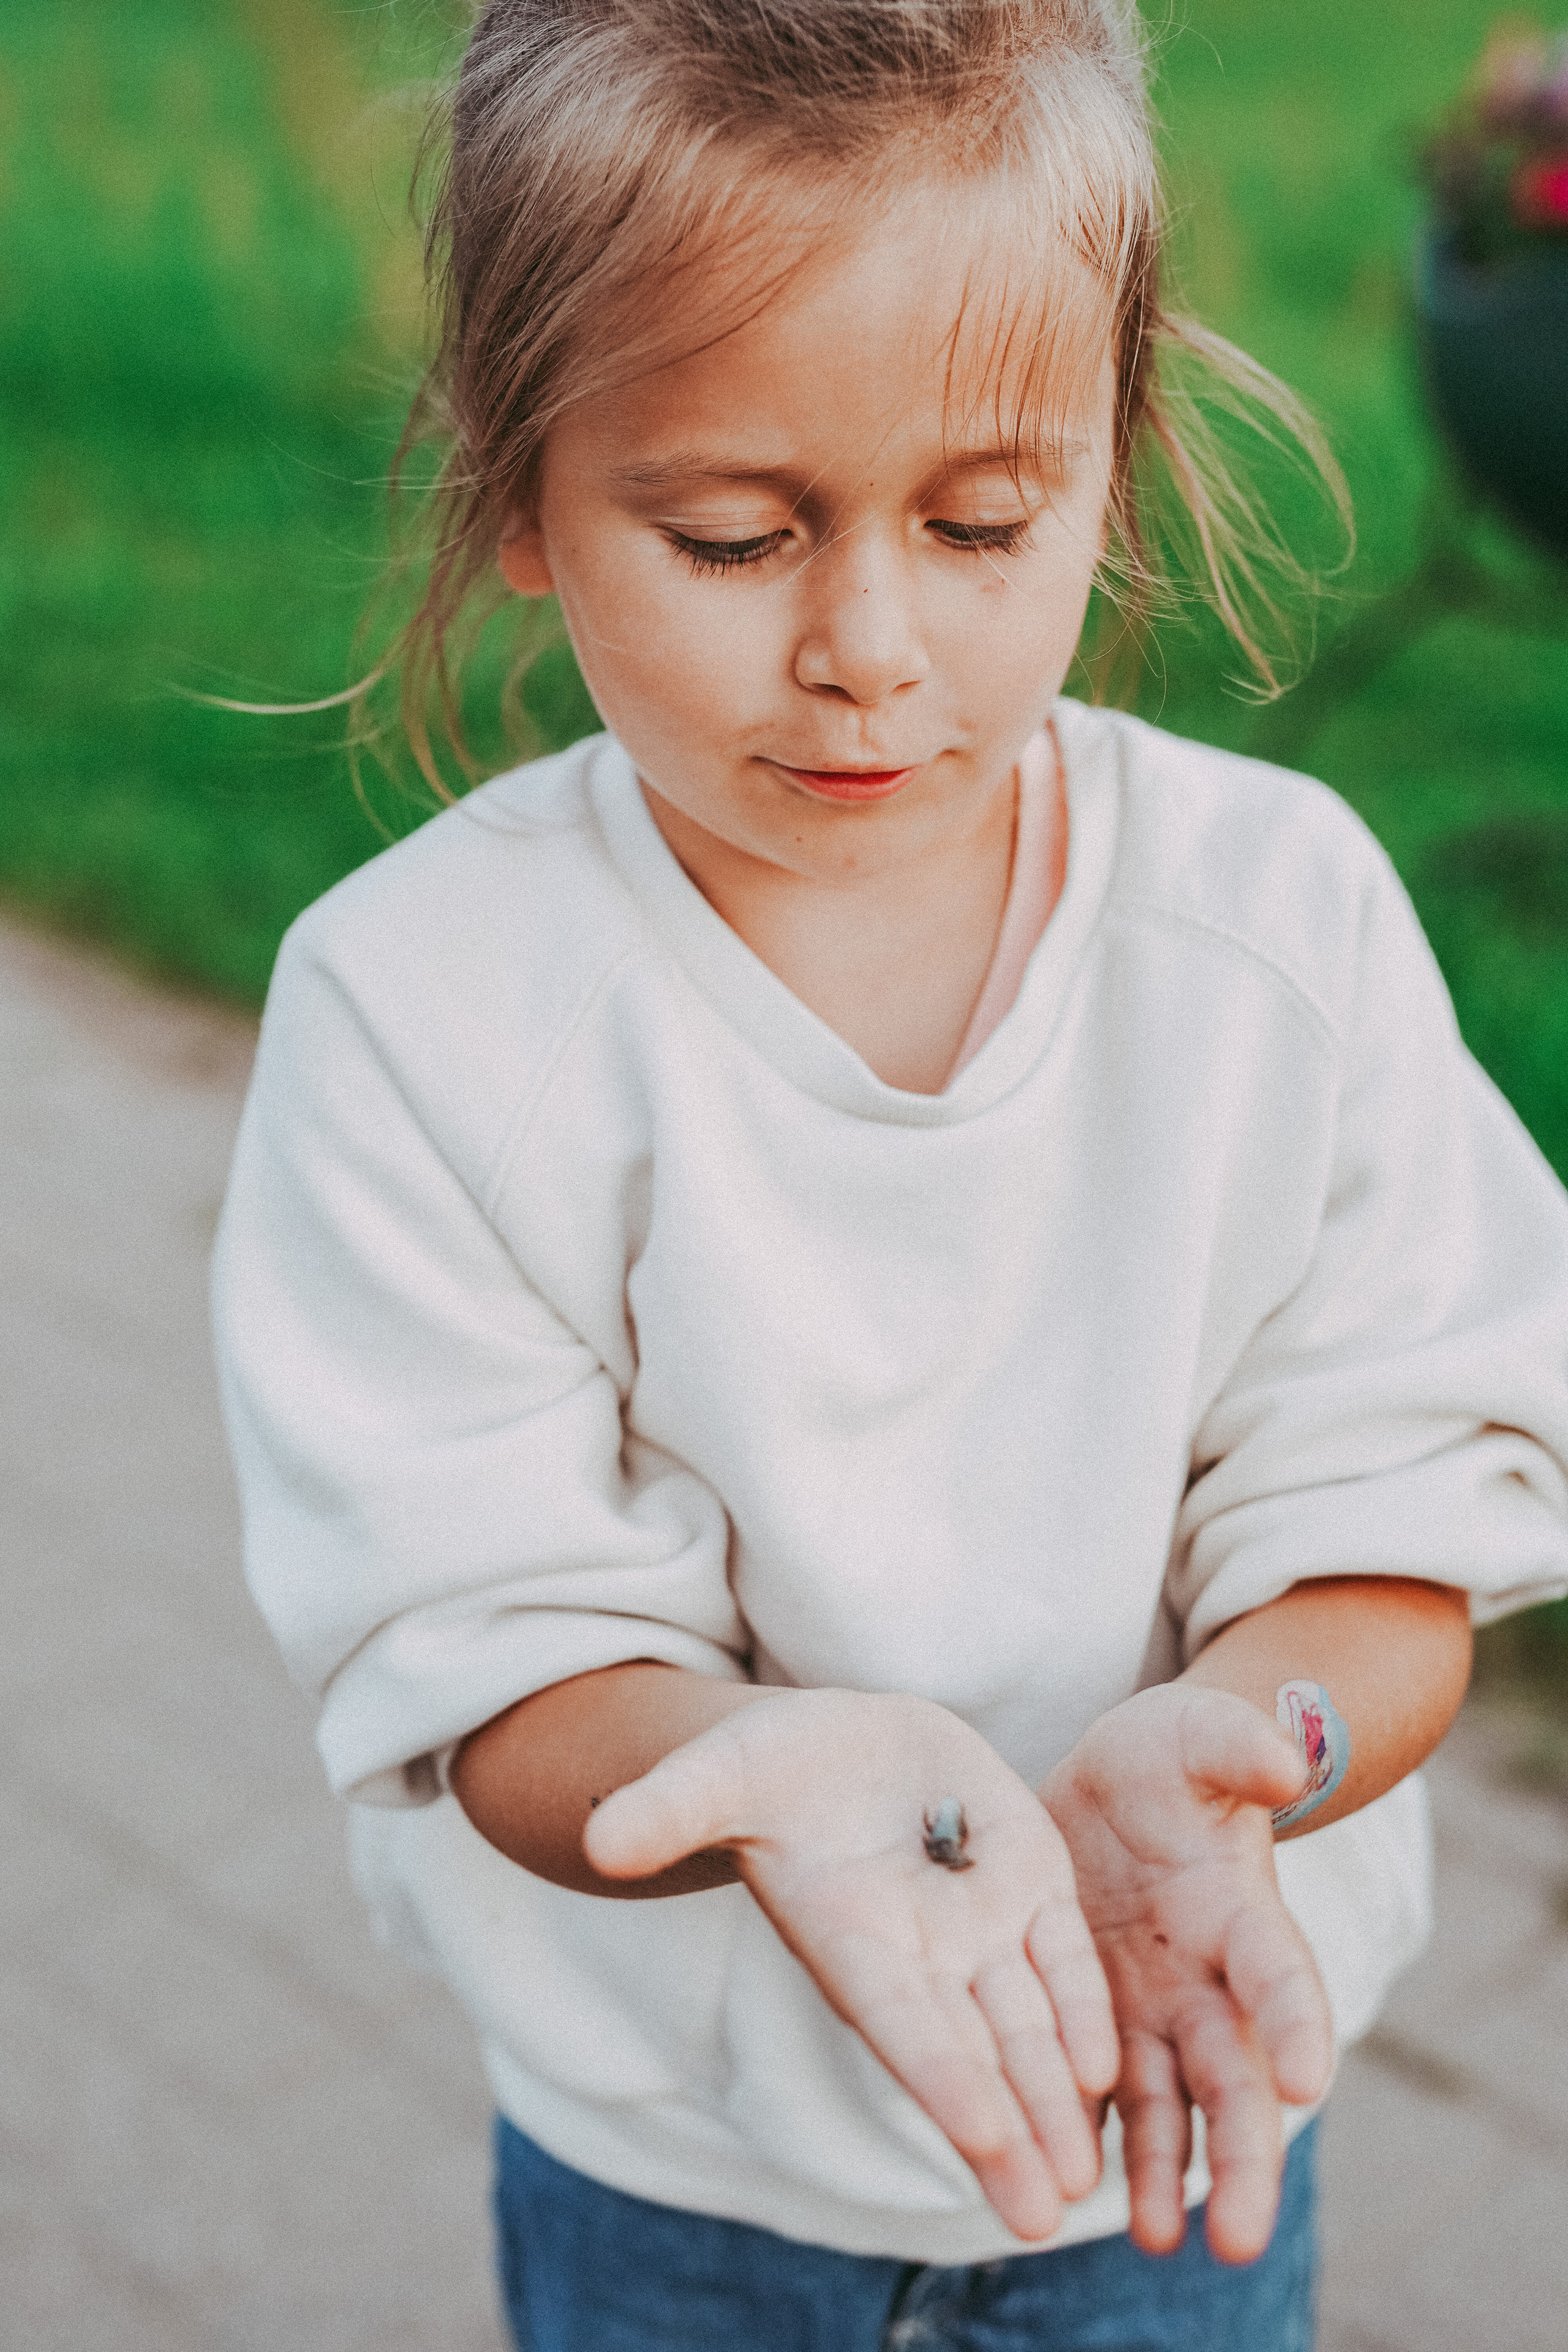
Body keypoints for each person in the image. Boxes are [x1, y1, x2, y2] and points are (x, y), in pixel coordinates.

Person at [211, 4, 1568, 2346]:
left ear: (1111, 468)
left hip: (1181, 2104)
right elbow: (489, 1645)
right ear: (515, 489)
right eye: (735, 534)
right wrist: (756, 1775)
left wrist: (1263, 1739)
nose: (864, 651)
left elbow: (1391, 1514)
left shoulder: (1276, 932)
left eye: (978, 526)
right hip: (679, 2172)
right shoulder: (425, 1013)